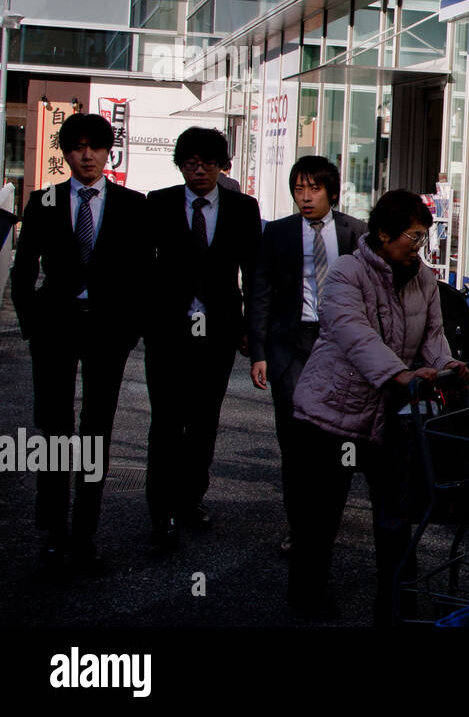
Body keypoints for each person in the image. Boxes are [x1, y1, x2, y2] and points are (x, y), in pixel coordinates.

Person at [287, 189, 469, 622]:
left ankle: (395, 605)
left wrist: (447, 364)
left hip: (389, 417)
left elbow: (433, 338)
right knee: (321, 516)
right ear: (383, 234)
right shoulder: (347, 272)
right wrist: (399, 374)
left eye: (424, 237)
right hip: (332, 411)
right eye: (413, 236)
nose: (419, 246)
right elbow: (353, 333)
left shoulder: (425, 279)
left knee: (394, 518)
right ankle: (307, 596)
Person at [10, 114, 148, 575]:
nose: (86, 155)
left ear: (109, 152)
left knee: (96, 430)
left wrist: (129, 331)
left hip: (107, 331)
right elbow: (23, 271)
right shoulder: (43, 201)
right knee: (53, 428)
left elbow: (143, 275)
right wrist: (32, 326)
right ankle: (53, 531)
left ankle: (85, 532)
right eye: (77, 147)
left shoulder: (132, 204)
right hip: (54, 328)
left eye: (95, 147)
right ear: (65, 154)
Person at [143, 127, 261, 557]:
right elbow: (141, 266)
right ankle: (162, 512)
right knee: (166, 422)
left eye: (208, 162)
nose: (200, 170)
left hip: (218, 330)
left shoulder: (243, 209)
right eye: (191, 162)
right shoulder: (157, 204)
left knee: (205, 420)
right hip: (167, 331)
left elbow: (254, 273)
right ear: (180, 164)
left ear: (221, 165)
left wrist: (251, 327)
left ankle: (191, 498)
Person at [248, 156, 365, 559]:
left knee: (337, 439)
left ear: (332, 191)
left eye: (314, 188)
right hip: (292, 344)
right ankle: (299, 529)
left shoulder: (356, 234)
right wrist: (259, 352)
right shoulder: (278, 233)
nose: (306, 197)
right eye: (299, 189)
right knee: (295, 443)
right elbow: (259, 294)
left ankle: (326, 521)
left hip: (341, 344)